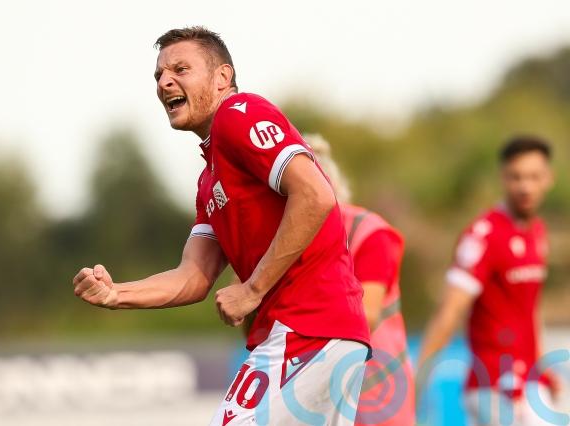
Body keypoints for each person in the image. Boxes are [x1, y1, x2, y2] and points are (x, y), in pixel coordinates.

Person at [72, 27, 371, 425]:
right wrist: (116, 294)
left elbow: (316, 195)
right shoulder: (208, 180)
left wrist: (252, 289)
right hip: (319, 333)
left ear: (222, 77)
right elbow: (194, 277)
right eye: (159, 75)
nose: (164, 82)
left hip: (307, 327)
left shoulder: (238, 113)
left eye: (180, 69)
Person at [417, 136, 558, 425]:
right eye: (516, 177)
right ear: (503, 177)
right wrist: (417, 381)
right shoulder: (483, 235)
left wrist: (543, 365)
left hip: (531, 383)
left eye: (534, 177)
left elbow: (529, 307)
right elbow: (449, 311)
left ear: (548, 178)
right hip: (492, 386)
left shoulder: (537, 232)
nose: (525, 187)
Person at [305, 134, 415, 426]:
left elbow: (366, 317)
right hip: (310, 391)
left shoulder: (368, 231)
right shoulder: (279, 242)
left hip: (375, 389)